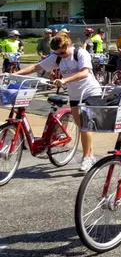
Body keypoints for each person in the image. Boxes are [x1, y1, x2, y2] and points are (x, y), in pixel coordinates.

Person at [16, 32, 102, 171]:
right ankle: (91, 155)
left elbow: (84, 73)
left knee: (86, 125)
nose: (60, 55)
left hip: (90, 91)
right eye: (57, 53)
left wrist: (64, 80)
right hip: (75, 95)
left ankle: (86, 158)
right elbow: (36, 67)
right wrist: (14, 74)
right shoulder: (56, 57)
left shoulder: (80, 53)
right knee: (82, 127)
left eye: (62, 52)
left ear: (68, 44)